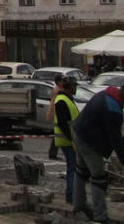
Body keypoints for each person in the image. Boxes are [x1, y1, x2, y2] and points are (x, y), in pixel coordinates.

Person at [71, 83, 124, 223]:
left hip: (79, 131)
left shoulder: (108, 94)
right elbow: (116, 139)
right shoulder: (112, 109)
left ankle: (79, 206)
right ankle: (100, 216)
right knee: (99, 177)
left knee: (81, 171)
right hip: (88, 140)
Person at [53, 76, 80, 204]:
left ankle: (73, 195)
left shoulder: (67, 99)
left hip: (70, 139)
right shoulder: (61, 100)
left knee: (73, 167)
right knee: (72, 168)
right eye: (74, 86)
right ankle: (71, 196)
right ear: (70, 87)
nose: (76, 89)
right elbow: (63, 123)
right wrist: (72, 139)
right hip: (67, 140)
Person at [46, 74, 65, 160]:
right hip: (55, 115)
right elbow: (55, 104)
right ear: (58, 82)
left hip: (54, 114)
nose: (63, 82)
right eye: (62, 81)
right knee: (57, 135)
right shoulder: (58, 91)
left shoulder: (58, 89)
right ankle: (52, 153)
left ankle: (53, 153)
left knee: (56, 135)